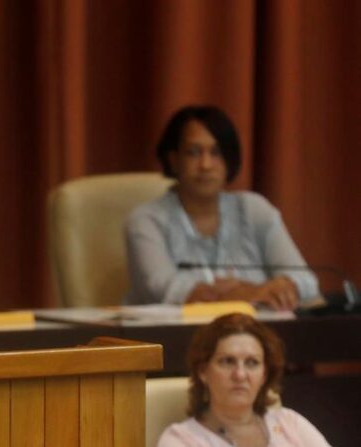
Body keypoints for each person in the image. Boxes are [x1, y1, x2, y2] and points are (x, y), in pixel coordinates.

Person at [124, 105, 318, 309]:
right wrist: (250, 293)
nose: (205, 165)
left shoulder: (254, 209)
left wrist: (285, 285)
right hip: (172, 337)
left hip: (254, 335)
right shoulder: (146, 221)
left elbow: (307, 280)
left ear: (229, 160)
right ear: (174, 159)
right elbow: (164, 288)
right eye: (193, 152)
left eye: (216, 152)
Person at [157, 313, 330, 446]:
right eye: (227, 361)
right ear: (203, 371)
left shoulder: (289, 423)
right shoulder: (180, 440)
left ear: (264, 374)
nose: (240, 375)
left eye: (252, 363)